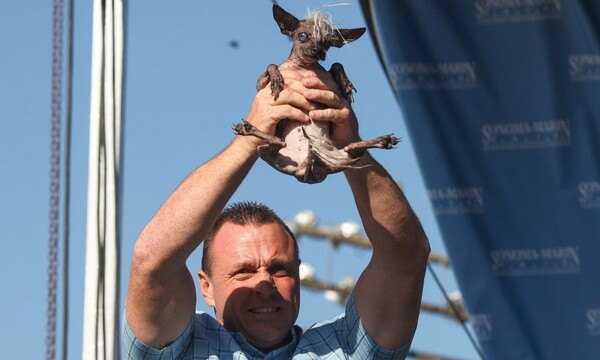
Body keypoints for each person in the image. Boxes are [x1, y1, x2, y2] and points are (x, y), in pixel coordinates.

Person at [123, 67, 430, 359]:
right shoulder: (177, 348)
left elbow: (405, 258)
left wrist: (349, 149)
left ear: (298, 274)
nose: (266, 283)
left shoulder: (346, 349)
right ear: (206, 286)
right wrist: (249, 141)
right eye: (243, 271)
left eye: (280, 269)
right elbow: (153, 259)